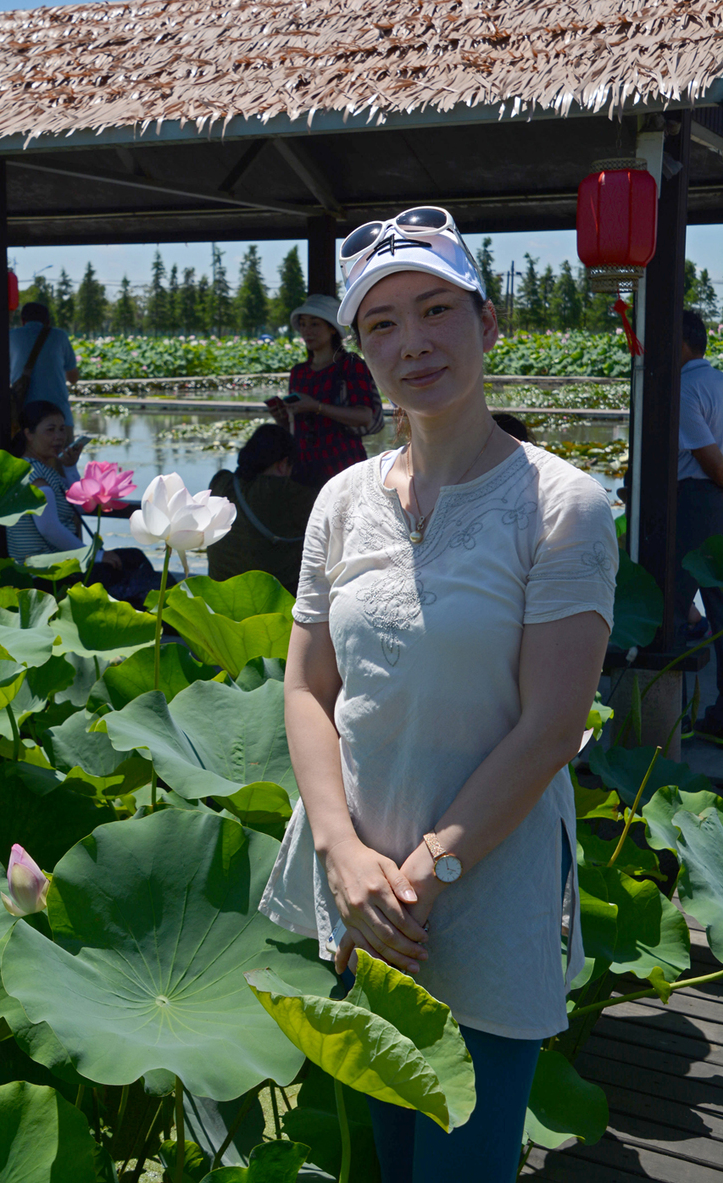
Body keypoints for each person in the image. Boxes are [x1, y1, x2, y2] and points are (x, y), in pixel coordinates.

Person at [259, 207, 617, 1181]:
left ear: (487, 322)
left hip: (478, 895)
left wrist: (422, 872)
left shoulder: (564, 505)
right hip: (364, 895)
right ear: (360, 345)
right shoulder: (341, 501)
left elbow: (553, 723)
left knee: (463, 1160)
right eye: (381, 322)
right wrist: (341, 852)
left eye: (435, 309)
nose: (412, 341)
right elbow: (307, 685)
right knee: (387, 1155)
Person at [7, 400, 157, 604]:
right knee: (132, 564)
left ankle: (154, 610)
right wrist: (93, 556)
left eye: (62, 429)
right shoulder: (34, 475)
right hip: (43, 574)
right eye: (50, 430)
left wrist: (69, 468)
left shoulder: (39, 470)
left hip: (58, 565)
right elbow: (49, 529)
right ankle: (158, 613)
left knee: (131, 560)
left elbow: (79, 504)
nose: (59, 437)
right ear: (28, 434)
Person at [268, 294, 381, 490]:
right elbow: (294, 427)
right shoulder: (299, 372)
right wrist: (282, 418)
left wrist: (317, 407)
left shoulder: (350, 365)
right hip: (303, 469)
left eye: (314, 324)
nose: (307, 331)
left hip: (342, 466)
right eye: (303, 324)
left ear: (331, 328)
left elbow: (365, 416)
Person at [674, 309, 723, 738]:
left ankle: (666, 714)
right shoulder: (718, 382)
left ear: (681, 342)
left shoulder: (685, 388)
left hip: (696, 503)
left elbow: (712, 464)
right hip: (714, 504)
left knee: (669, 606)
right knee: (719, 609)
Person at [207, 424, 318, 594]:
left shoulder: (220, 483)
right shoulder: (286, 493)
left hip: (218, 597)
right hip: (274, 603)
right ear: (283, 464)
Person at [9, 302, 79, 444]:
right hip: (60, 415)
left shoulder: (11, 336)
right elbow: (73, 378)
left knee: (26, 464)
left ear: (23, 321)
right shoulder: (60, 336)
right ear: (48, 321)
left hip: (24, 416)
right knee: (64, 462)